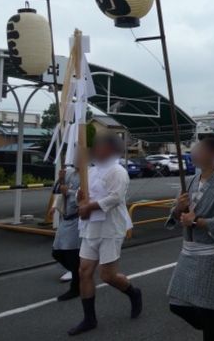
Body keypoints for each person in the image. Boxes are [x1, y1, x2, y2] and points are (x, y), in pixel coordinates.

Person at [68, 134, 141, 336]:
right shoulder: (90, 171)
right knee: (84, 271)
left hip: (111, 228)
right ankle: (89, 319)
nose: (96, 151)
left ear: (110, 150)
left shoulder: (118, 171)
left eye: (100, 147)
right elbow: (82, 192)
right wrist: (79, 197)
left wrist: (89, 206)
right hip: (90, 228)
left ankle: (134, 293)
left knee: (107, 275)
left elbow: (116, 198)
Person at [167, 135, 214, 340]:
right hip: (189, 251)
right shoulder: (190, 181)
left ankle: (213, 330)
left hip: (212, 254)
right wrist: (178, 208)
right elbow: (177, 213)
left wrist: (197, 221)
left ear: (213, 155)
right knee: (177, 305)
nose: (194, 152)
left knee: (209, 309)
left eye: (200, 149)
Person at [52, 165, 81, 301]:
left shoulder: (88, 175)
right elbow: (57, 190)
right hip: (65, 217)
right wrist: (61, 179)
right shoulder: (69, 173)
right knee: (56, 252)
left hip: (76, 219)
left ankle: (76, 285)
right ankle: (79, 273)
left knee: (71, 254)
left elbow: (85, 197)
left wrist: (68, 191)